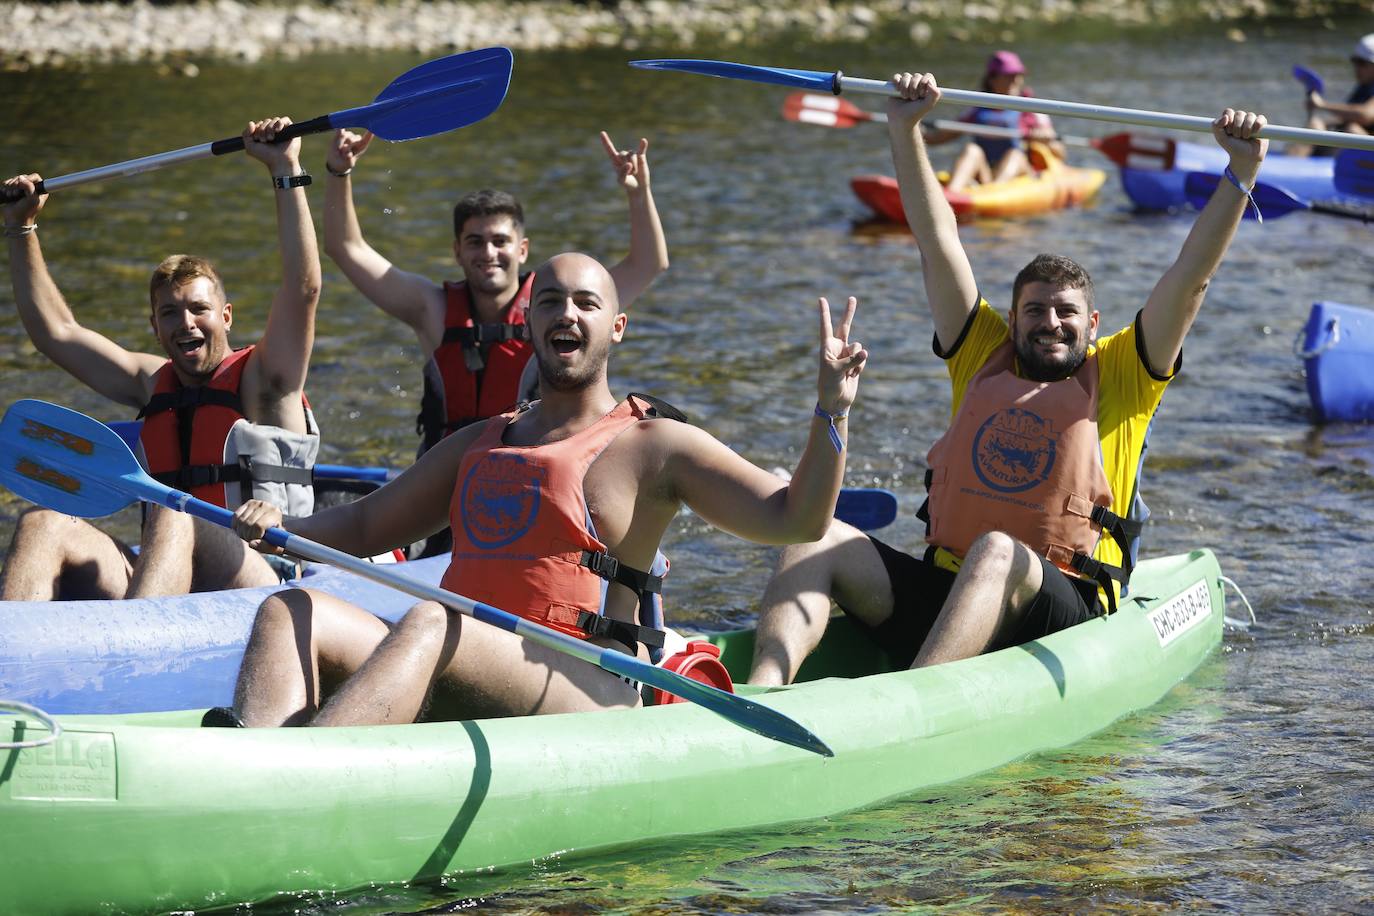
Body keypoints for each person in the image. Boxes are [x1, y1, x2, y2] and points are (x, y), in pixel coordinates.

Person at [748, 71, 1268, 686]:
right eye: (1034, 311)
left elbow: (1191, 277)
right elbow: (937, 239)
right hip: (948, 598)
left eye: (1065, 312)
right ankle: (762, 696)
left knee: (997, 549)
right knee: (814, 536)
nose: (1050, 323)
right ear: (1013, 316)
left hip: (1061, 610)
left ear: (1092, 322)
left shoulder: (1126, 370)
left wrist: (1240, 173)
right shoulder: (980, 353)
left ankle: (910, 707)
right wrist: (904, 128)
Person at [222, 252, 866, 727]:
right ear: (531, 321)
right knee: (290, 610)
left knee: (432, 618)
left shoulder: (655, 444)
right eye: (552, 300)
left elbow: (797, 520)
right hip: (459, 657)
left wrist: (831, 411)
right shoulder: (482, 441)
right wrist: (273, 525)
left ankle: (305, 777)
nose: (568, 313)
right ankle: (245, 767)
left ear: (617, 326)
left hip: (588, 688)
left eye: (587, 302)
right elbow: (364, 529)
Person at [0, 117, 322, 601]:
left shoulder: (268, 379)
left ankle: (135, 661)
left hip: (261, 580)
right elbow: (56, 333)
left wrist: (285, 168)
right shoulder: (153, 382)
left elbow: (303, 288)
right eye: (169, 313)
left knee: (178, 510)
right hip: (165, 579)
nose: (185, 323)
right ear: (155, 327)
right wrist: (21, 227)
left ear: (226, 316)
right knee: (40, 523)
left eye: (199, 309)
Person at [321, 128, 668, 458]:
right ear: (457, 251)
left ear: (522, 249)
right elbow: (346, 248)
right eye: (475, 242)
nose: (488, 253)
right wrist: (339, 173)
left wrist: (638, 193)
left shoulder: (560, 308)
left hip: (531, 472)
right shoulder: (432, 310)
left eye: (500, 241)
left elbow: (648, 263)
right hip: (445, 482)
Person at [920, 51, 1064, 192]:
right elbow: (935, 139)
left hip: (1019, 175)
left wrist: (1046, 141)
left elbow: (1060, 152)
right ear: (992, 79)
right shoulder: (977, 108)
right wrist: (913, 125)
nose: (1016, 81)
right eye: (1009, 76)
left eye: (1018, 75)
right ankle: (952, 196)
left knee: (1015, 155)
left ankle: (992, 194)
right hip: (986, 174)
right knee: (972, 150)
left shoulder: (1031, 109)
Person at [1294, 33, 1374, 157]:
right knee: (1316, 124)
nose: (1356, 68)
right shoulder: (1363, 87)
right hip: (1357, 148)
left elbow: (1364, 115)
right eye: (1355, 61)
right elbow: (1347, 118)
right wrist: (1322, 124)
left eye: (1362, 63)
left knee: (1352, 129)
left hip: (1368, 157)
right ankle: (1290, 163)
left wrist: (1322, 105)